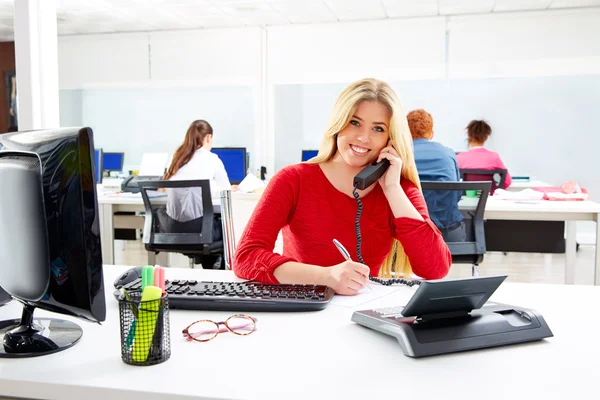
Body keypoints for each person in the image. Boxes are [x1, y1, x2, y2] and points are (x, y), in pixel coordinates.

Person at [234, 79, 451, 295]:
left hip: (364, 315)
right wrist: (326, 277)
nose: (364, 138)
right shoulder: (293, 179)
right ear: (338, 123)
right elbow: (246, 258)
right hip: (302, 308)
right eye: (354, 122)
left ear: (390, 139)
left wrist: (392, 189)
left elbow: (436, 269)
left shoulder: (398, 189)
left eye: (378, 128)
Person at [162, 119, 231, 245]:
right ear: (209, 137)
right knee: (230, 230)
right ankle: (216, 264)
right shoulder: (212, 159)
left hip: (172, 229)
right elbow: (226, 191)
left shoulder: (177, 158)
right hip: (202, 230)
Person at [407, 109, 464, 243]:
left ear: (406, 133)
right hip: (447, 234)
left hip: (409, 234)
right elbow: (457, 194)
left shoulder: (400, 154)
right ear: (431, 134)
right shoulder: (448, 153)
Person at [457, 120, 512, 191]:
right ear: (486, 137)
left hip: (467, 198)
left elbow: (454, 182)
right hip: (490, 198)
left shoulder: (459, 158)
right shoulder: (494, 157)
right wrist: (494, 192)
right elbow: (507, 181)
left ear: (469, 136)